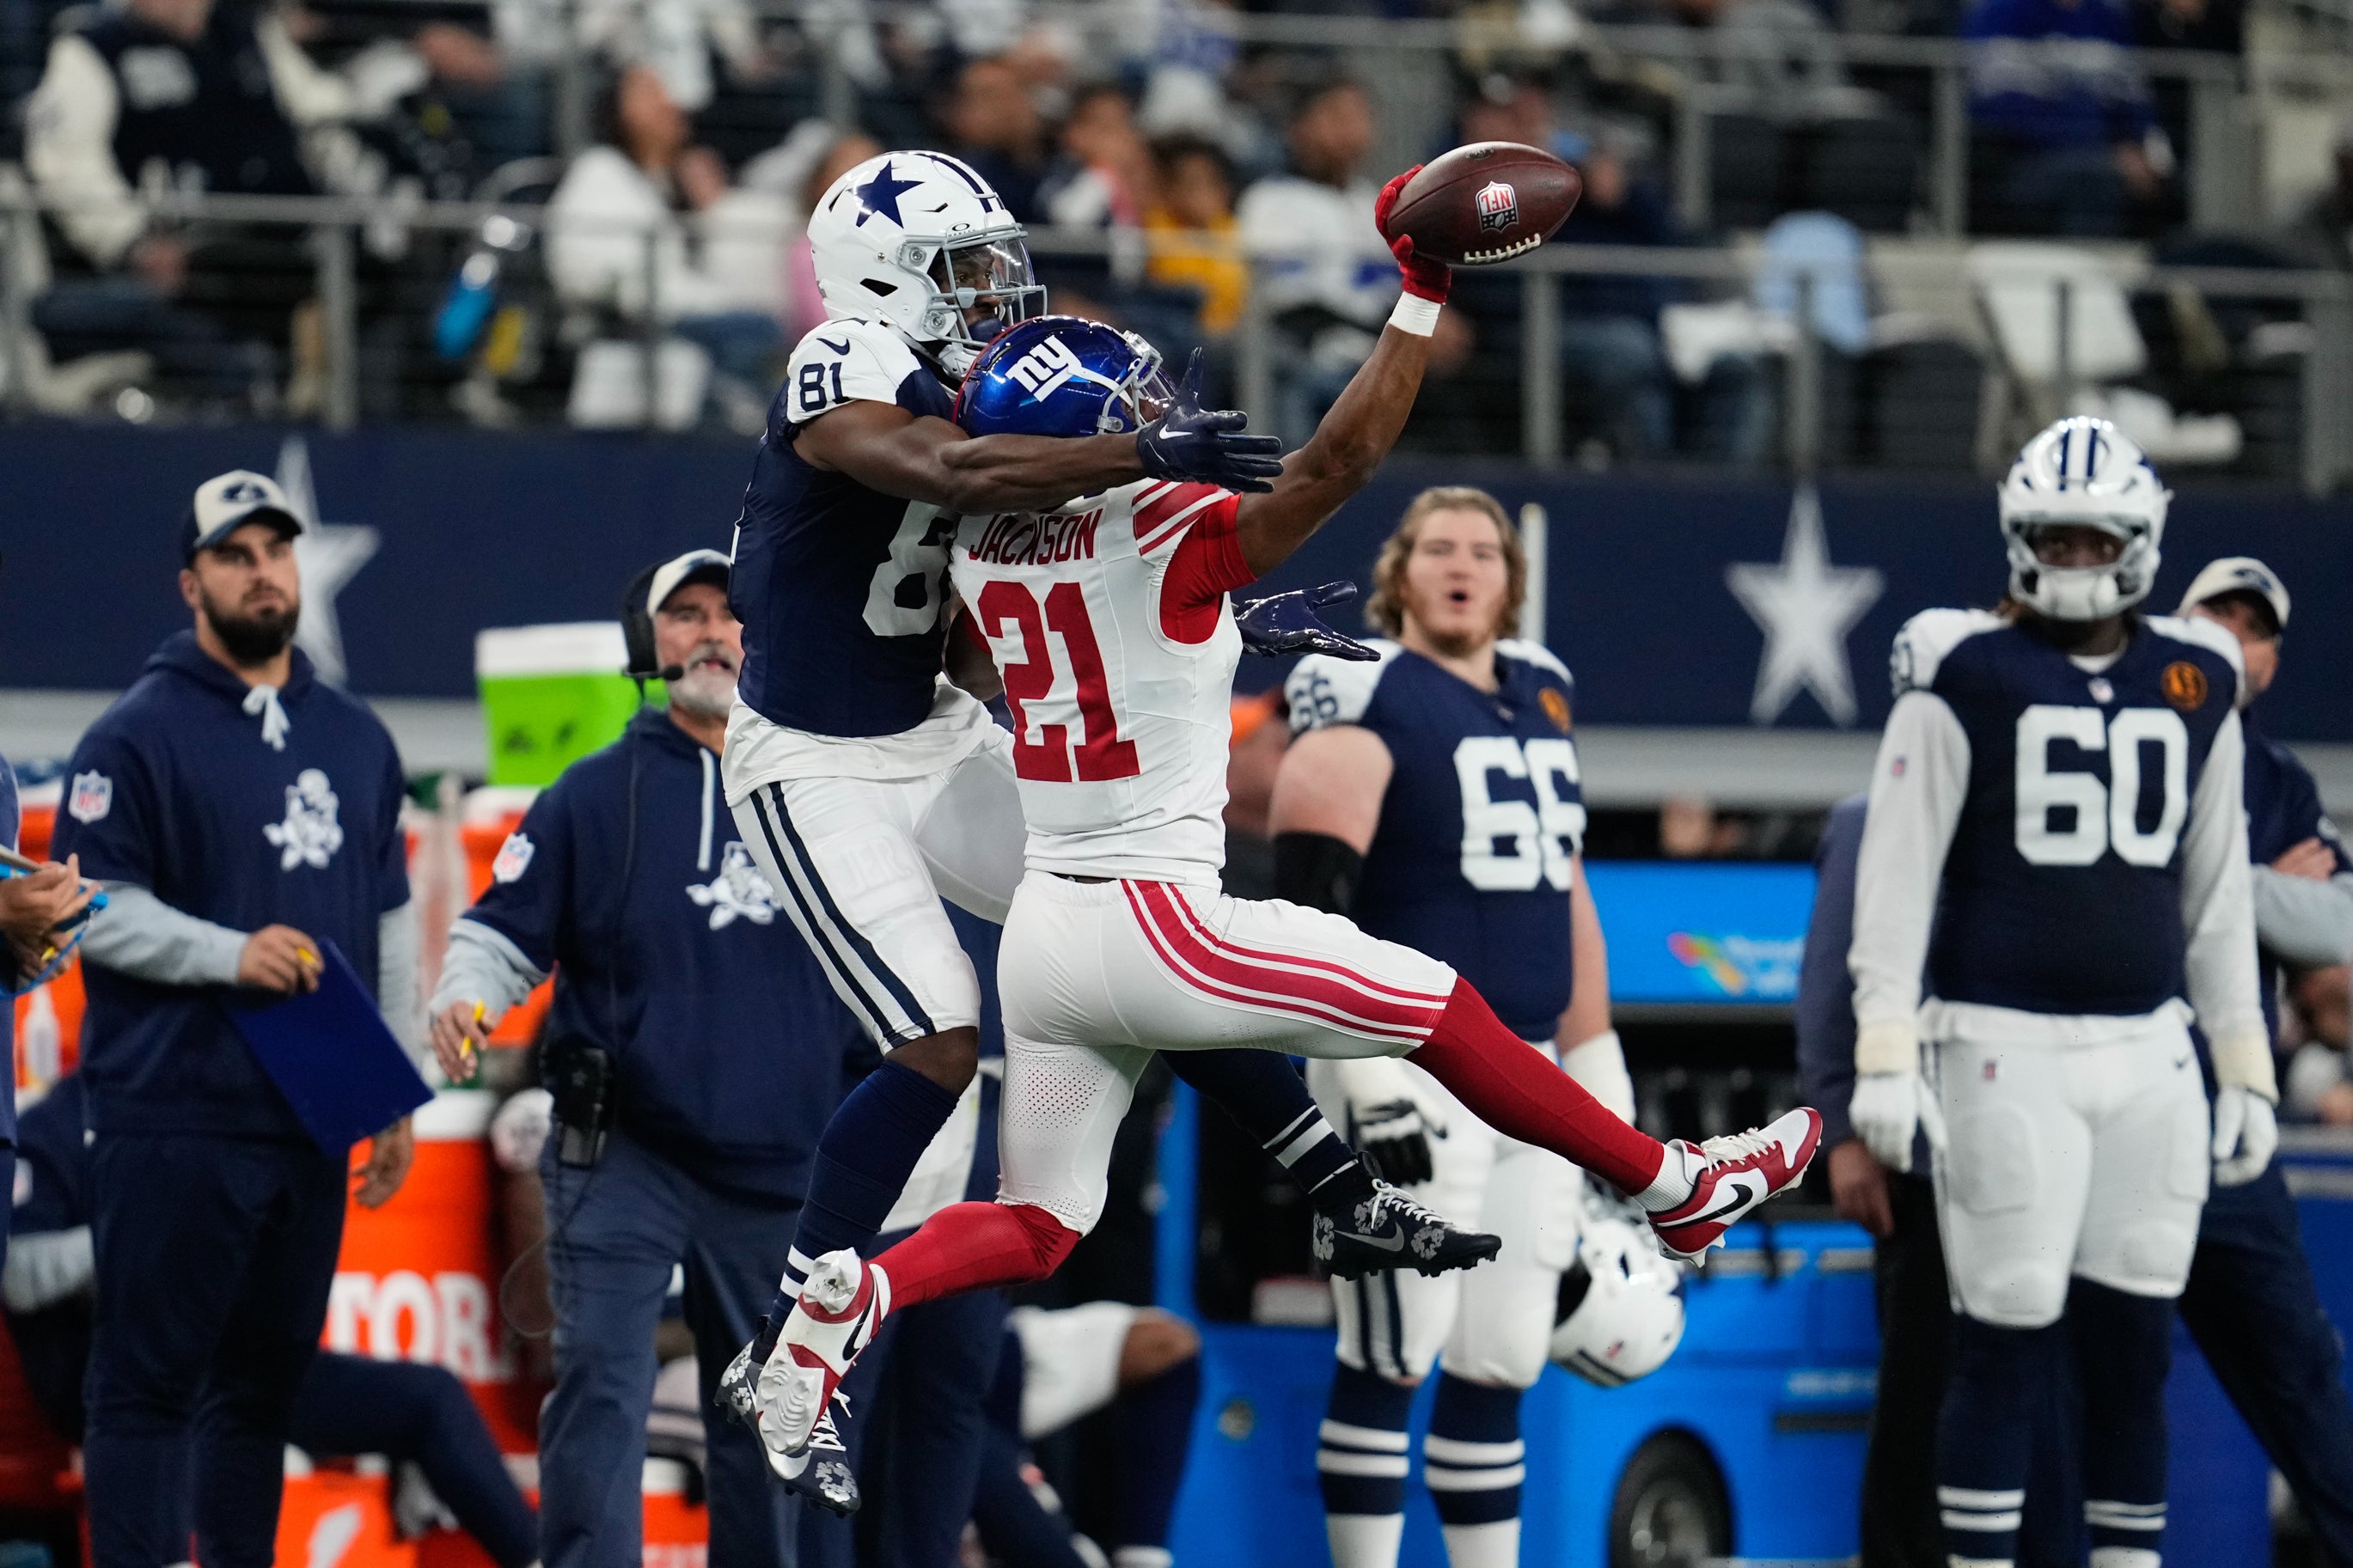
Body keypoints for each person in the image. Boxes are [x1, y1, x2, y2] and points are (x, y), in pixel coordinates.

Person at [747, 182, 1822, 1471]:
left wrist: (1171, 590)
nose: (1155, 416)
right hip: (1148, 921)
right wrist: (1416, 296)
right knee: (1441, 1007)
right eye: (1134, 407)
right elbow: (1337, 462)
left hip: (1046, 937)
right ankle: (1673, 1185)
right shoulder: (1164, 526)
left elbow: (1011, 558)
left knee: (1035, 1219)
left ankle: (844, 1302)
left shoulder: (983, 549)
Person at [713, 147, 1494, 1504]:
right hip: (814, 758)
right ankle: (789, 1344)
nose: (992, 292)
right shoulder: (837, 359)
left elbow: (964, 615)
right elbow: (944, 470)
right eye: (962, 269)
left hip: (928, 723)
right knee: (940, 1034)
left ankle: (1337, 1186)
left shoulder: (974, 376)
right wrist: (1137, 448)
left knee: (1141, 923)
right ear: (876, 279)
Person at [1848, 415, 2272, 1568]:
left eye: (2095, 540)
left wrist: (2242, 1060)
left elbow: (2214, 890)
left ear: (2137, 543)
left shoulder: (2197, 677)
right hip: (1999, 1043)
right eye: (2057, 538)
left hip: (2149, 1053)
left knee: (2134, 1349)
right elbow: (1893, 871)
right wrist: (1882, 1048)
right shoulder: (1960, 664)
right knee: (2003, 1332)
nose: (2076, 560)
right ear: (2018, 537)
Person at [426, 550, 860, 1568]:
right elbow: (502, 928)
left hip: (785, 1168)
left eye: (731, 613)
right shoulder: (591, 793)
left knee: (774, 1421)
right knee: (601, 1391)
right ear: (648, 642)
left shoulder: (835, 793)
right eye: (686, 615)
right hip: (623, 1153)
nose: (711, 632)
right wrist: (464, 996)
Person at [49, 468, 420, 1568]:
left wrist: (392, 1089)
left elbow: (390, 919)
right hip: (174, 1113)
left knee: (261, 1392)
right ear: (191, 582)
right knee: (146, 1386)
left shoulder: (357, 735)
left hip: (307, 1121)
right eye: (235, 554)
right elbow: (86, 910)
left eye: (276, 549)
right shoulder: (132, 736)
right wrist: (230, 953)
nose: (263, 572)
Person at [1271, 485, 1643, 1568]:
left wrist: (1596, 1051)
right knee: (1393, 1344)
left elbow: (1561, 883)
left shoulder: (1543, 692)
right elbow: (1306, 910)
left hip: (1529, 1063)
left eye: (1481, 549)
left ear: (1508, 576)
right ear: (1401, 569)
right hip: (1411, 1063)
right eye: (1438, 546)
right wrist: (1358, 1072)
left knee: (1502, 1351)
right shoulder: (1364, 684)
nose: (1460, 565)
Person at [2, 1071, 538, 1568]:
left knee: (428, 1398)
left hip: (233, 1361)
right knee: (183, 1422)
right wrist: (132, 1246)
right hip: (119, 1377)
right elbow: (16, 1271)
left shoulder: (219, 1112)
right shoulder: (57, 1126)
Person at [1799, 794, 2078, 1568]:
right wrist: (1843, 1133)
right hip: (1927, 1161)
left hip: (2047, 1153)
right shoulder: (1874, 814)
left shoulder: (2043, 805)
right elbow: (1830, 979)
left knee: (2050, 1405)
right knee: (1921, 1409)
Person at [2171, 556, 2353, 1564]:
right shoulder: (2132, 738)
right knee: (2083, 1377)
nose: (2233, 639)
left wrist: (2216, 884)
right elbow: (2127, 894)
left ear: (2272, 662)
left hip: (2233, 1132)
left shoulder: (2276, 777)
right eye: (2214, 616)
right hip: (2115, 1118)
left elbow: (2337, 922)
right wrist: (2256, 888)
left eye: (2253, 627)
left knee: (2300, 1373)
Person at [22, 0, 361, 402]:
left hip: (286, 249)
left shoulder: (246, 31)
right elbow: (67, 164)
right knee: (216, 353)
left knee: (376, 293)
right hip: (179, 264)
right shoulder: (95, 47)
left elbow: (321, 108)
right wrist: (131, 241)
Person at [547, 64, 788, 424]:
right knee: (751, 332)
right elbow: (584, 267)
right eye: (650, 93)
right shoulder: (600, 171)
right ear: (619, 111)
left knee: (763, 329)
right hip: (636, 323)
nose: (668, 103)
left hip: (675, 313)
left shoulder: (664, 185)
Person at [1234, 78, 1404, 443]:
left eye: (1360, 116)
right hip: (1310, 351)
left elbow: (1392, 287)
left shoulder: (1373, 202)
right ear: (1299, 127)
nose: (1350, 130)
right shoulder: (1270, 199)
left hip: (1379, 352)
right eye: (1335, 116)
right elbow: (1290, 305)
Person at [1964, 0, 2167, 236]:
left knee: (2171, 177)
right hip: (2018, 159)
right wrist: (2102, 148)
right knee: (2092, 176)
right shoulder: (2001, 12)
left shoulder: (2106, 16)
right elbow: (1995, 108)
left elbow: (2134, 103)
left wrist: (2145, 151)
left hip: (2104, 155)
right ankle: (2085, 266)